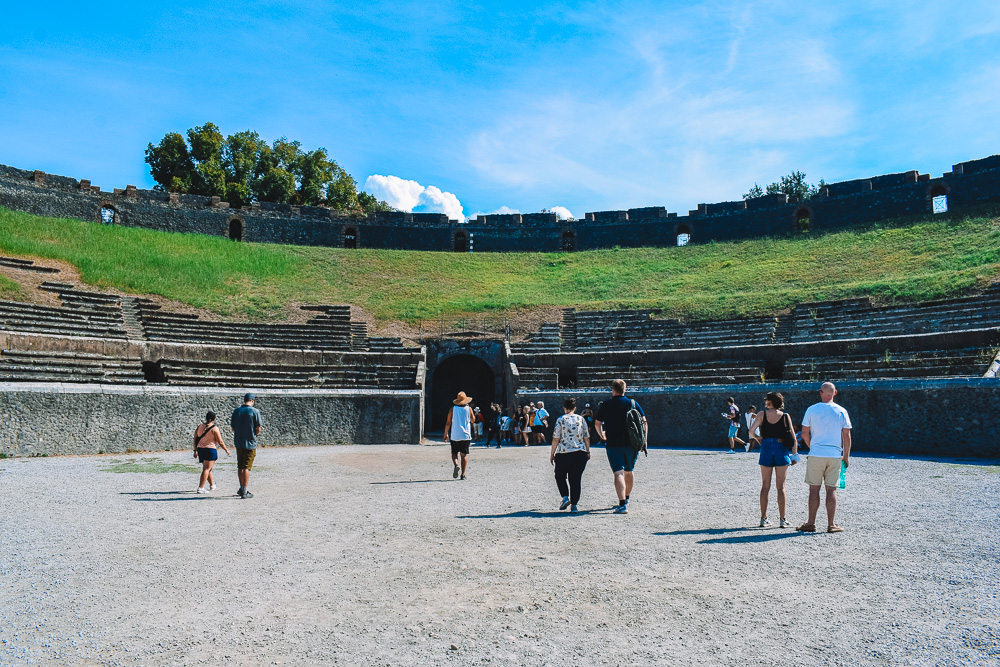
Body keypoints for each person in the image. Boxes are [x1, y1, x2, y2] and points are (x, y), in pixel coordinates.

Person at [797, 382, 853, 534]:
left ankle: (811, 523)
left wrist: (812, 447)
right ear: (835, 393)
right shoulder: (842, 411)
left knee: (814, 489)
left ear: (820, 392)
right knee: (831, 489)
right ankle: (831, 524)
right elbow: (846, 436)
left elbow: (804, 434)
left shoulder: (811, 409)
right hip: (834, 455)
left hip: (816, 453)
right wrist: (845, 456)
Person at [595, 379, 648, 514]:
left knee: (618, 473)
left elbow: (597, 423)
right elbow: (644, 422)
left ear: (613, 389)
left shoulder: (606, 405)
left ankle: (622, 504)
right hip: (632, 443)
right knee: (629, 471)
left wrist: (602, 435)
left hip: (613, 444)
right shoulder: (632, 403)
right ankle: (627, 498)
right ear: (624, 389)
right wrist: (644, 440)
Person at [748, 393, 798, 528]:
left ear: (770, 401)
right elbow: (793, 438)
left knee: (765, 485)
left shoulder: (761, 414)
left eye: (766, 399)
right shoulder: (785, 416)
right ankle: (783, 519)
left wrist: (758, 438)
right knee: (781, 487)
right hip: (781, 448)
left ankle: (763, 518)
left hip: (766, 448)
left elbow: (751, 431)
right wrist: (794, 456)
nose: (764, 401)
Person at [549, 397, 591, 513]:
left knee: (559, 475)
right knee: (575, 479)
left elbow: (555, 439)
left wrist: (552, 454)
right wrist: (588, 451)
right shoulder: (581, 419)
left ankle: (565, 497)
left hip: (564, 453)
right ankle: (574, 506)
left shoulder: (560, 420)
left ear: (564, 408)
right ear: (575, 408)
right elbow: (586, 437)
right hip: (579, 453)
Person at [230, 393, 263, 499]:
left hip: (239, 442)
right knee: (246, 467)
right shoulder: (255, 411)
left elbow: (233, 428)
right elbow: (258, 428)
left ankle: (241, 488)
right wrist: (254, 434)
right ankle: (244, 490)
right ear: (252, 401)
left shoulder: (237, 411)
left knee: (240, 466)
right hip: (250, 442)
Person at [193, 410, 230, 494]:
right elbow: (220, 442)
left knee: (208, 468)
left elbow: (195, 439)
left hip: (201, 449)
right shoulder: (214, 428)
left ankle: (212, 485)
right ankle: (200, 488)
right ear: (214, 419)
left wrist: (195, 450)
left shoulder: (199, 427)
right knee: (206, 469)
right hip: (210, 450)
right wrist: (226, 450)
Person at [443, 391, 474, 480]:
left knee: (454, 453)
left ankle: (456, 464)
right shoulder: (469, 409)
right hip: (465, 435)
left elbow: (448, 423)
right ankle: (463, 474)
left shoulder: (452, 409)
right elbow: (473, 420)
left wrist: (445, 434)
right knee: (463, 455)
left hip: (455, 435)